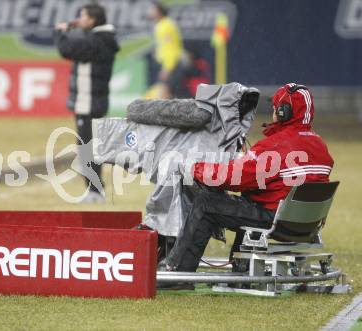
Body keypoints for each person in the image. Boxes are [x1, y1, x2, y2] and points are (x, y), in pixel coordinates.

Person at [162, 83, 334, 272]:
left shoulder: (275, 146)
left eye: (276, 108)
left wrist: (194, 169)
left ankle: (178, 270)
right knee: (249, 200)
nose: (273, 112)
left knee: (205, 203)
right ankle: (241, 265)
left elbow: (233, 178)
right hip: (305, 225)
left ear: (284, 112)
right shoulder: (320, 145)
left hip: (275, 221)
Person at [54, 4, 120, 203]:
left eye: (83, 16)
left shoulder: (97, 41)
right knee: (90, 146)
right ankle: (95, 189)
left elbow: (66, 49)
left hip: (89, 101)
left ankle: (95, 191)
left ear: (92, 20)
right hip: (93, 100)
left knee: (86, 147)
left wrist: (59, 33)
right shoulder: (102, 39)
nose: (79, 19)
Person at [149, 2, 189, 99]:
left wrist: (167, 68)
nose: (150, 11)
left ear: (159, 12)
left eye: (153, 9)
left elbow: (170, 48)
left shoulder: (164, 26)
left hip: (172, 64)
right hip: (172, 63)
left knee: (163, 94)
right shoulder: (166, 24)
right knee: (168, 94)